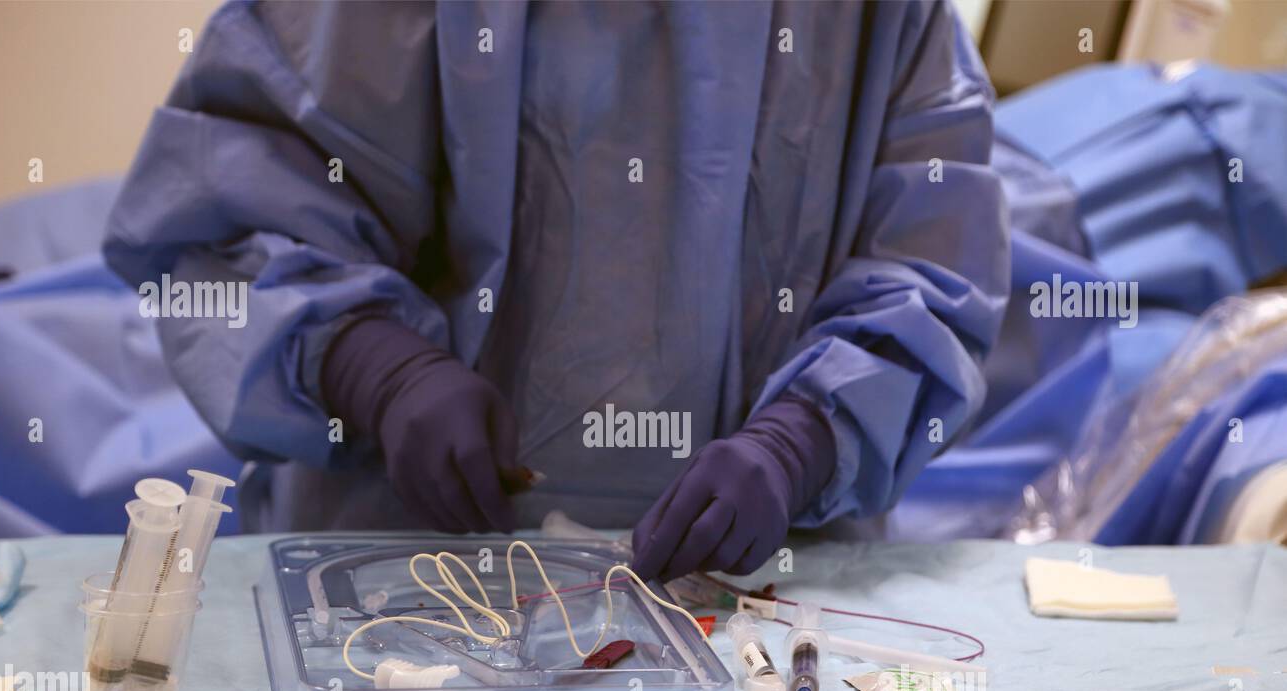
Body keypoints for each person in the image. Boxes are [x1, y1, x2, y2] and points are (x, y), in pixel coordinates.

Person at [103, 0, 1009, 580]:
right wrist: (370, 366)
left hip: (761, 601)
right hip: (401, 572)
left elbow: (932, 268)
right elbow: (225, 208)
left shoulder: (885, 19)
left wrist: (805, 438)